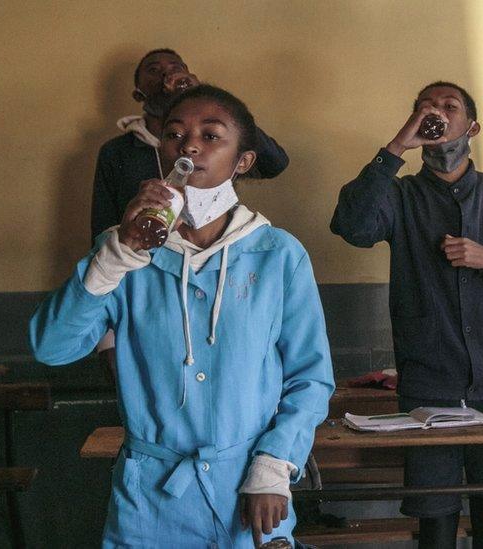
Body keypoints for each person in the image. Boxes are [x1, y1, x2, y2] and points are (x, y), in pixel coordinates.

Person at [30, 85, 334, 548]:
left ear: (243, 161)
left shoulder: (278, 255)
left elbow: (310, 378)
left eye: (211, 136)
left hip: (249, 490)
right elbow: (51, 348)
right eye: (174, 135)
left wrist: (274, 465)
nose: (188, 145)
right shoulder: (126, 250)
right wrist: (119, 254)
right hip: (150, 498)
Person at [330, 81, 483, 548]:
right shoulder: (399, 195)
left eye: (448, 107)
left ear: (471, 127)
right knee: (434, 515)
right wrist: (396, 147)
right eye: (424, 108)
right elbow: (351, 226)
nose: (435, 113)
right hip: (427, 391)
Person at [91, 48, 290, 242]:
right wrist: (119, 250)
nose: (167, 75)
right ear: (138, 94)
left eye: (176, 67)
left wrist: (205, 99)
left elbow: (275, 163)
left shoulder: (277, 247)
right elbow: (102, 224)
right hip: (140, 258)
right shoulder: (117, 151)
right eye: (154, 70)